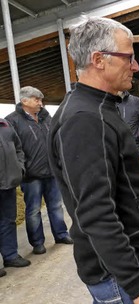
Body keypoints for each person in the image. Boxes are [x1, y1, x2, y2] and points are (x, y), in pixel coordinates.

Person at [47, 15, 139, 304]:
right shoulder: (85, 121)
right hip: (124, 275)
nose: (135, 66)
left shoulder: (100, 108)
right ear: (99, 60)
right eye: (128, 57)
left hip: (130, 261)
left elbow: (111, 182)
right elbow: (95, 213)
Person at [5, 86, 72, 255]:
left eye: (41, 100)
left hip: (51, 171)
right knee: (33, 210)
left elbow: (56, 140)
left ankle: (61, 234)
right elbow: (15, 149)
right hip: (30, 176)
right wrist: (22, 169)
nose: (41, 103)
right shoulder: (12, 121)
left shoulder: (46, 118)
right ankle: (37, 243)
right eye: (37, 99)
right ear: (24, 100)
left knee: (56, 206)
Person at [0, 118, 31, 276]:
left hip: (9, 183)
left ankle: (10, 256)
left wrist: (19, 168)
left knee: (9, 220)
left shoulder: (5, 124)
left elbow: (19, 148)